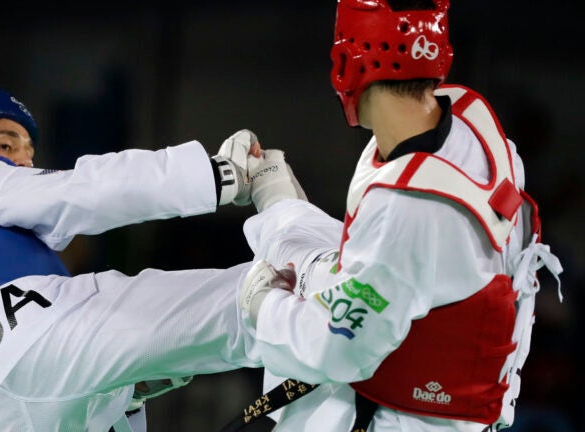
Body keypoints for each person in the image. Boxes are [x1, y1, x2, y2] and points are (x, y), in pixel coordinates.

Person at [0, 84, 302, 432]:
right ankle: (315, 296)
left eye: (29, 148)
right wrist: (216, 173)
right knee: (240, 300)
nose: (25, 160)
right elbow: (86, 190)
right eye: (6, 143)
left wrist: (119, 391)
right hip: (9, 336)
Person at [234, 0, 564, 431]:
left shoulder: (409, 208)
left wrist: (263, 304)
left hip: (402, 418)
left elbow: (338, 349)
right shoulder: (470, 118)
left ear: (345, 67)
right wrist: (275, 190)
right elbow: (387, 263)